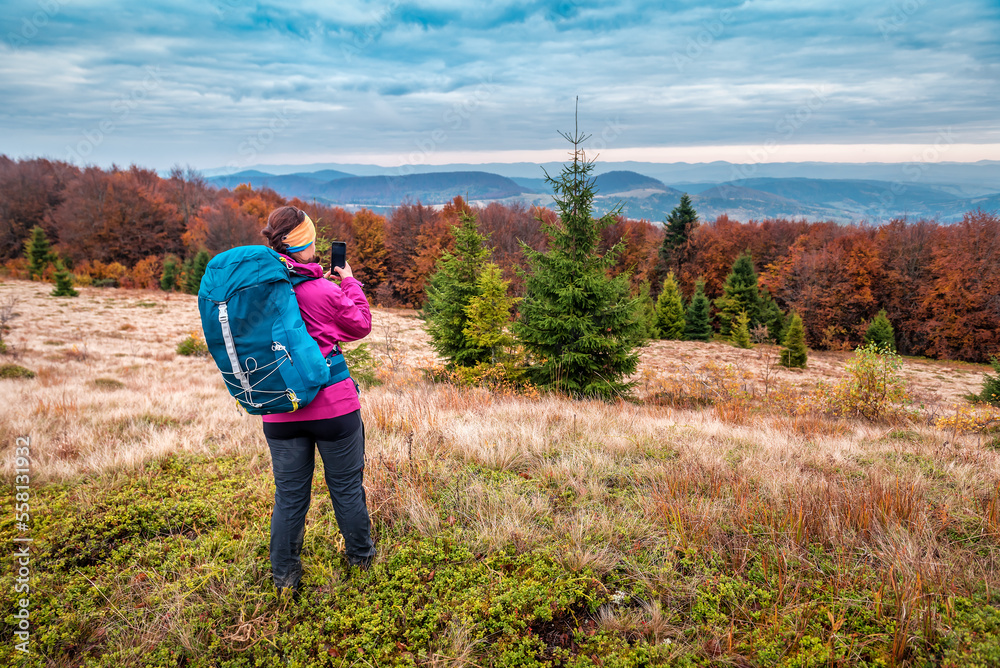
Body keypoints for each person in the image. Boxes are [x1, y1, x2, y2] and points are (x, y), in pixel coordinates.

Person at [259, 205, 376, 595]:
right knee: (345, 489)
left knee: (289, 497)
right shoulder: (323, 289)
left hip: (280, 409)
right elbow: (360, 324)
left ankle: (285, 580)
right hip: (334, 409)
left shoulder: (259, 292)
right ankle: (361, 563)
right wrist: (350, 282)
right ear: (307, 244)